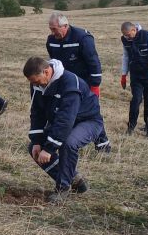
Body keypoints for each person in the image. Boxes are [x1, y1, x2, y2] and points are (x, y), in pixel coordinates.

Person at [23, 57, 104, 203]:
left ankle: (63, 188)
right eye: (32, 82)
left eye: (36, 81)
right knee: (34, 148)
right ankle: (74, 179)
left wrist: (49, 149)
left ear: (46, 72)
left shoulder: (71, 84)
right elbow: (37, 113)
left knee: (68, 143)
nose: (35, 85)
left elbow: (65, 120)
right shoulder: (37, 84)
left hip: (88, 121)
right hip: (64, 121)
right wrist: (37, 141)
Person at [46, 12, 110, 152]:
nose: (52, 32)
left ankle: (102, 143)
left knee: (91, 112)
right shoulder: (51, 41)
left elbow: (93, 61)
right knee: (66, 110)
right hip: (65, 83)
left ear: (65, 26)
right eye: (51, 29)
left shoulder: (82, 38)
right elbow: (54, 63)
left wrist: (95, 85)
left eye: (54, 29)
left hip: (85, 83)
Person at [120, 21, 148, 137]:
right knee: (136, 100)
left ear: (134, 30)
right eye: (124, 35)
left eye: (128, 35)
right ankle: (131, 127)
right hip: (136, 76)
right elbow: (126, 56)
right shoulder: (125, 40)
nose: (127, 37)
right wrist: (124, 74)